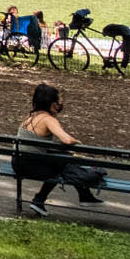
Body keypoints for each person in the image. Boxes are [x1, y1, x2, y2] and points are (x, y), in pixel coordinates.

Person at [14, 84, 107, 215]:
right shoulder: (48, 119)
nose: (60, 106)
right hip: (33, 167)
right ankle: (40, 200)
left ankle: (83, 196)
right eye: (58, 102)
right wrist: (77, 141)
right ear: (52, 104)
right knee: (64, 164)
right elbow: (66, 140)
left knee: (62, 159)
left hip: (18, 163)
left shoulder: (29, 118)